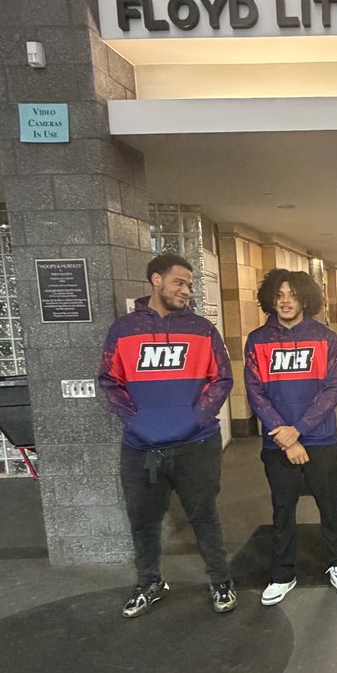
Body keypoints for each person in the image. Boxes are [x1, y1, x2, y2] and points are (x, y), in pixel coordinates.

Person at [99, 252, 235, 618]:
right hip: (140, 447)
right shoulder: (124, 330)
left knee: (205, 516)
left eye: (189, 284)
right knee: (143, 520)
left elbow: (222, 378)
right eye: (179, 282)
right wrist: (137, 422)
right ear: (156, 280)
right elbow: (110, 381)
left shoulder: (202, 329)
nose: (186, 290)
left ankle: (221, 580)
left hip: (196, 444)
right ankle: (150, 583)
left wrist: (195, 418)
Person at [244, 269, 337, 605]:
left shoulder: (325, 337)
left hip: (319, 440)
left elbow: (332, 390)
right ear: (270, 299)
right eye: (279, 295)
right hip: (277, 443)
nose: (285, 301)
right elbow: (255, 392)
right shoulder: (258, 340)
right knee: (282, 510)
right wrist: (287, 437)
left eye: (292, 295)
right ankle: (283, 573)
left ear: (305, 298)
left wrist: (300, 430)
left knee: (329, 506)